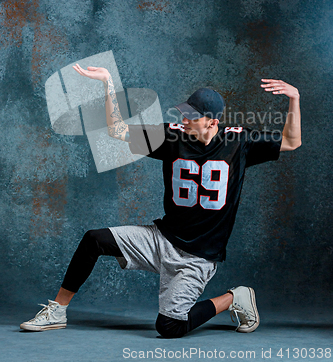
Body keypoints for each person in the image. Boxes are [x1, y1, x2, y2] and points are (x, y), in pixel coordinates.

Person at [20, 65, 301, 337]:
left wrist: (294, 98)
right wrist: (108, 83)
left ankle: (233, 297)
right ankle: (58, 310)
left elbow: (291, 141)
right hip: (162, 239)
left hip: (198, 257)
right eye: (185, 113)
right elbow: (117, 130)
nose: (186, 119)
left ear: (213, 122)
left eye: (194, 117)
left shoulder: (239, 142)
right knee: (94, 239)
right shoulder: (172, 135)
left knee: (170, 327)